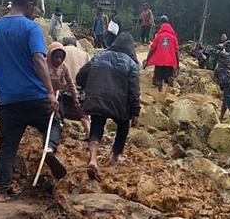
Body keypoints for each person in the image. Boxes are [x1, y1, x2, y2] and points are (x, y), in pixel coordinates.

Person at [0, 0, 65, 199]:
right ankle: (49, 150)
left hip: (8, 100)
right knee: (55, 122)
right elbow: (38, 59)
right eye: (34, 8)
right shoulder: (31, 28)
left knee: (7, 146)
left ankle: (1, 191)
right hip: (35, 96)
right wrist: (50, 92)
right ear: (29, 5)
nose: (34, 12)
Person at [76, 33, 140, 182]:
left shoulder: (99, 56)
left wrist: (87, 88)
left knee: (97, 126)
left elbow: (80, 76)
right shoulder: (131, 63)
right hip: (119, 102)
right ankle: (115, 156)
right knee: (123, 127)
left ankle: (93, 158)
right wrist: (135, 112)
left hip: (97, 97)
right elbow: (134, 91)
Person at [47, 42, 90, 139]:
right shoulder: (84, 54)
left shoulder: (58, 52)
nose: (59, 60)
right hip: (78, 87)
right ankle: (89, 133)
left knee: (59, 113)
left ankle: (56, 134)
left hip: (63, 90)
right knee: (83, 114)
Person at [145, 16, 179, 92]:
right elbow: (177, 52)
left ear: (161, 24)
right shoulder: (173, 37)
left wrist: (147, 60)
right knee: (168, 78)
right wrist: (177, 64)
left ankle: (159, 87)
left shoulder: (158, 36)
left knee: (156, 80)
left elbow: (152, 49)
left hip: (159, 61)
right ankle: (169, 94)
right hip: (170, 62)